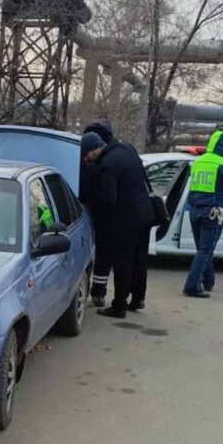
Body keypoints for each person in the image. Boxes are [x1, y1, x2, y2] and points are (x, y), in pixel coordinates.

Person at [82, 128, 155, 319]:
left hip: (126, 220)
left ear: (95, 149)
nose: (86, 160)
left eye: (86, 155)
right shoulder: (127, 150)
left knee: (122, 261)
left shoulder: (107, 164)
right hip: (145, 214)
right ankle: (138, 298)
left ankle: (119, 306)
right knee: (140, 259)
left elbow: (108, 200)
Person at [183, 130, 223, 298]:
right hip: (214, 212)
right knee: (206, 250)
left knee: (203, 249)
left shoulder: (198, 161)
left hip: (194, 210)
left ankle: (208, 281)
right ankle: (192, 286)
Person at [78, 131, 111, 307]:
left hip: (100, 216)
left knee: (103, 255)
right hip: (86, 216)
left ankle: (98, 292)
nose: (85, 158)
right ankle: (92, 289)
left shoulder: (101, 165)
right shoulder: (85, 167)